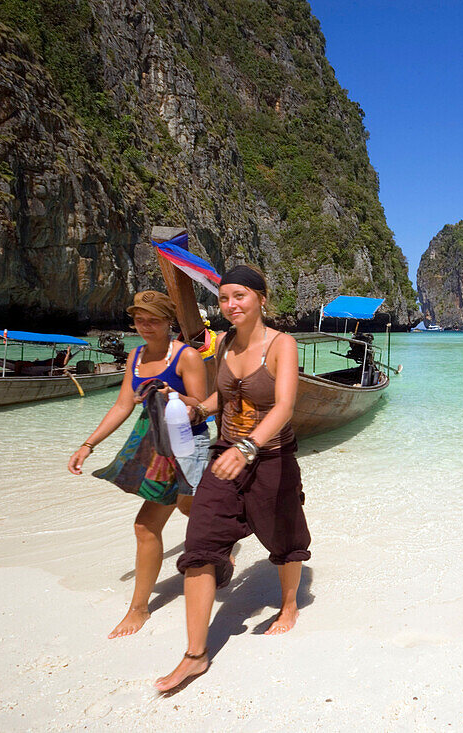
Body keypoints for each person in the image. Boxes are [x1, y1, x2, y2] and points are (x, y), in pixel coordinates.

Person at [155, 265, 309, 693]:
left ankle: (290, 605)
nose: (230, 306)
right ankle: (195, 654)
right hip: (225, 456)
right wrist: (194, 408)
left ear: (261, 297)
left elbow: (284, 407)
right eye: (223, 299)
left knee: (283, 537)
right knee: (201, 541)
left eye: (239, 296)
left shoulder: (282, 345)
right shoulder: (221, 343)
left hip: (272, 456)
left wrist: (249, 448)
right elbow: (222, 396)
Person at [68, 290, 210, 639]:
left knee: (194, 510)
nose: (145, 326)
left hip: (188, 443)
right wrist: (88, 445)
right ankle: (139, 608)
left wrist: (173, 395)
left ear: (168, 322)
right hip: (155, 445)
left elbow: (203, 403)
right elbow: (121, 406)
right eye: (139, 319)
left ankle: (221, 538)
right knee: (145, 526)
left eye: (154, 320)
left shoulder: (187, 356)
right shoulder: (135, 356)